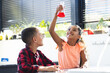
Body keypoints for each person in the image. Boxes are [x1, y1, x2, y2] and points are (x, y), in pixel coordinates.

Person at [49, 5, 87, 69]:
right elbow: (51, 30)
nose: (70, 31)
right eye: (69, 29)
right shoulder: (62, 44)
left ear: (79, 36)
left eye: (74, 30)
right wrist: (56, 13)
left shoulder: (80, 46)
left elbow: (84, 60)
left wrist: (84, 66)